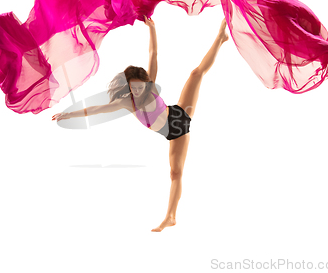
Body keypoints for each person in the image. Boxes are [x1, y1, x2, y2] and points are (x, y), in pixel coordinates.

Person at [52, 15, 229, 231]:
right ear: (128, 87)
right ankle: (171, 217)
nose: (138, 90)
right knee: (174, 173)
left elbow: (153, 55)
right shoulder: (127, 103)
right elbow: (97, 109)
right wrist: (69, 114)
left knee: (196, 73)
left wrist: (152, 29)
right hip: (172, 133)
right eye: (133, 87)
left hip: (179, 117)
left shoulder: (151, 88)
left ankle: (220, 38)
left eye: (140, 86)